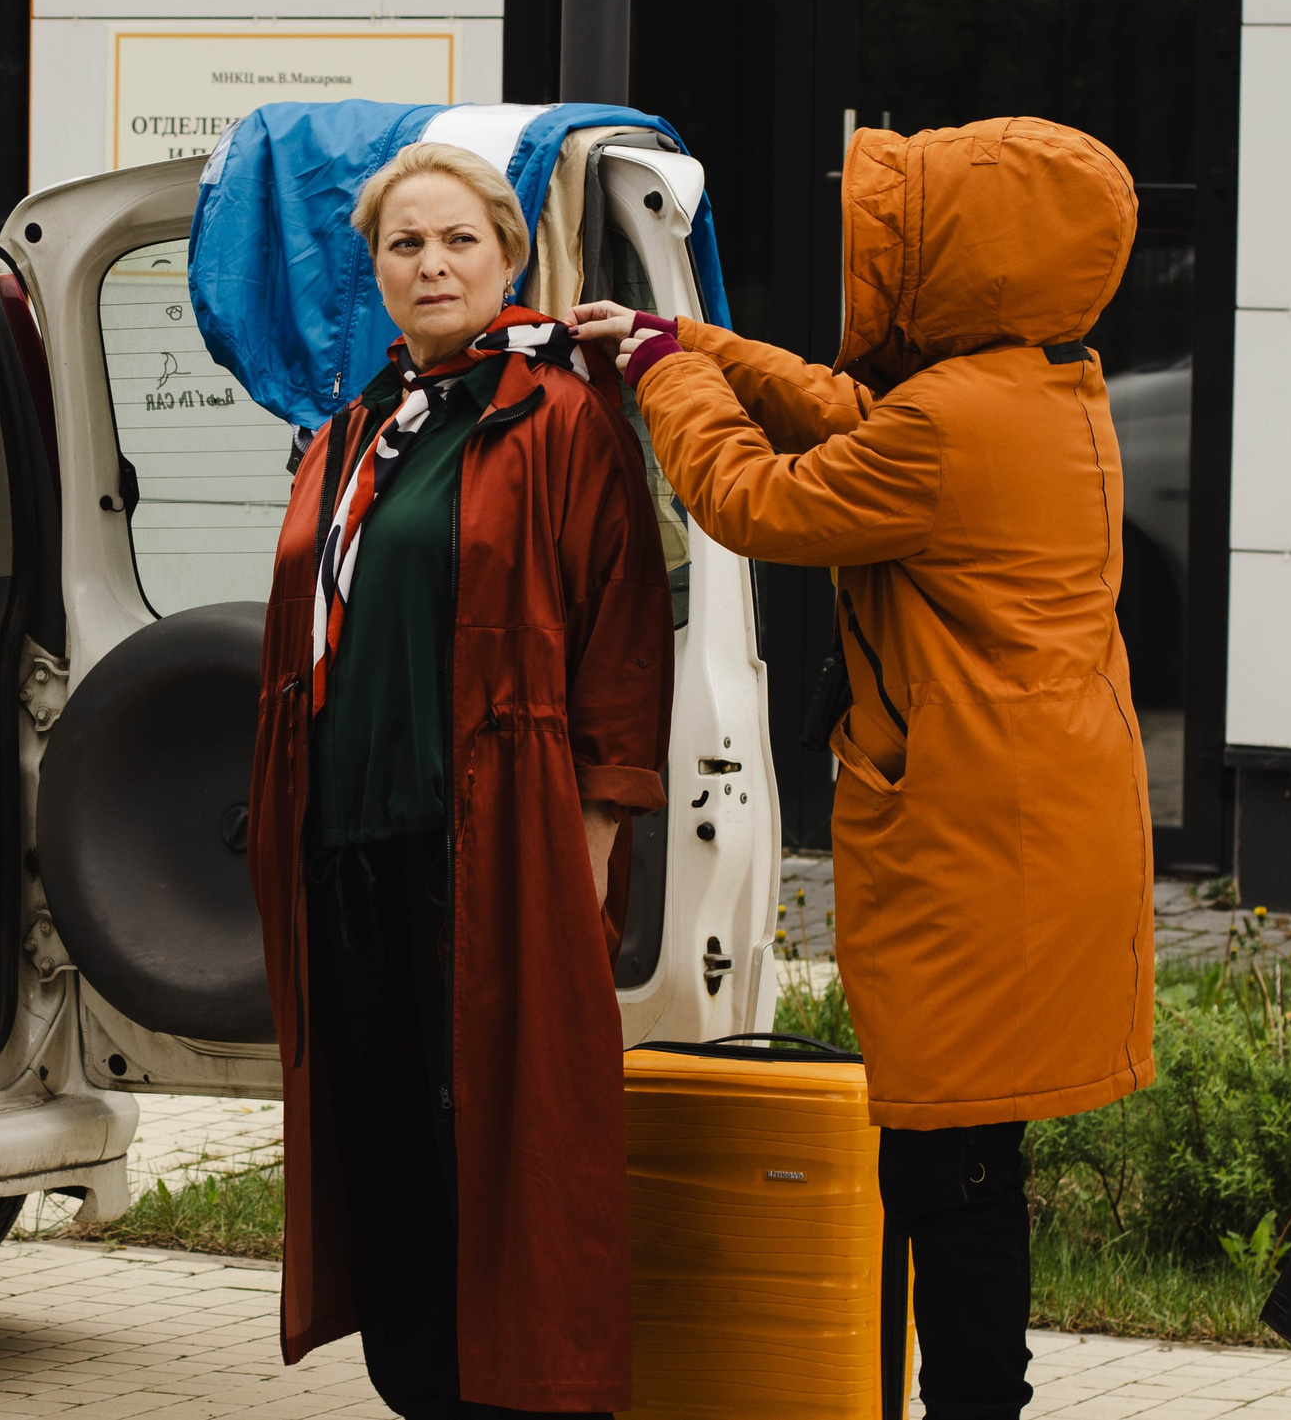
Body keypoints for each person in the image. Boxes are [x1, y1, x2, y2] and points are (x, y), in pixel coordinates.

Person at [570, 116, 1157, 1420]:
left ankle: (971, 1407)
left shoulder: (950, 424)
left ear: (965, 260)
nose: (869, 273)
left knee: (951, 1168)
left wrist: (666, 379)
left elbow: (760, 501)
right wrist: (693, 344)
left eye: (898, 246)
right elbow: (850, 410)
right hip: (1031, 819)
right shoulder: (1035, 386)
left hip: (978, 837)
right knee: (962, 1152)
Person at [247, 140, 674, 1418]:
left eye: (457, 242)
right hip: (347, 848)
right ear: (372, 269)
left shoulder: (559, 415)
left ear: (508, 257)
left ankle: (527, 1395)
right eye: (403, 244)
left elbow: (621, 625)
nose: (431, 264)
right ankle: (424, 1391)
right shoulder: (354, 429)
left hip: (493, 838)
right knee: (384, 1149)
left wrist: (597, 824)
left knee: (504, 1144)